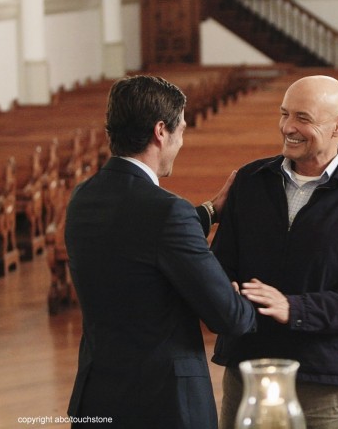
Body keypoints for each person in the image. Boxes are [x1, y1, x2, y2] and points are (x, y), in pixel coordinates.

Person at [64, 75, 258, 428]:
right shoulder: (166, 212)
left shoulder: (83, 197)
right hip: (162, 405)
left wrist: (209, 211)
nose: (181, 140)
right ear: (160, 131)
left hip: (97, 398)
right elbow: (227, 317)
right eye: (181, 129)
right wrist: (242, 298)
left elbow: (135, 236)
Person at [210, 75, 338, 429]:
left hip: (324, 381)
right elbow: (222, 262)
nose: (287, 127)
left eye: (303, 118)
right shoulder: (250, 181)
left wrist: (296, 309)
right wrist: (225, 292)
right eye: (284, 114)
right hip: (249, 370)